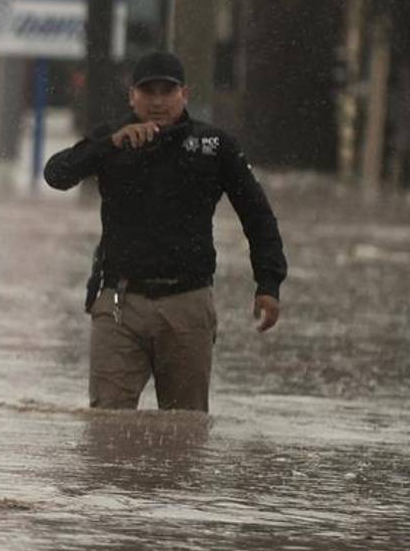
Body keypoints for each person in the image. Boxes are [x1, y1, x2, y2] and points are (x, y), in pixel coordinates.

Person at [43, 51, 287, 412]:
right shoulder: (112, 140)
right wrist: (110, 145)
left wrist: (269, 284)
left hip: (187, 303)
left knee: (185, 429)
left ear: (184, 94)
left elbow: (258, 216)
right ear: (132, 96)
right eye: (148, 91)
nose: (157, 101)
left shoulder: (214, 147)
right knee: (107, 425)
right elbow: (56, 174)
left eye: (167, 91)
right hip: (119, 303)